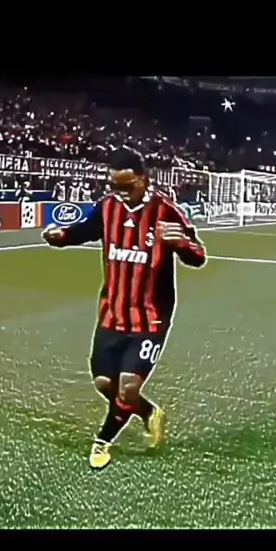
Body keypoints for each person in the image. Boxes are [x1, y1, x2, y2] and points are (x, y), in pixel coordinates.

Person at [42, 149, 207, 470]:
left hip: (151, 317)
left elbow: (199, 255)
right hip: (112, 312)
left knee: (129, 385)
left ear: (143, 179)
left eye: (126, 186)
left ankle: (102, 441)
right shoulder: (108, 207)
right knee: (106, 384)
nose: (120, 192)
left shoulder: (167, 210)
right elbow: (85, 230)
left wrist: (182, 245)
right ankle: (149, 413)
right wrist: (61, 237)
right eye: (114, 186)